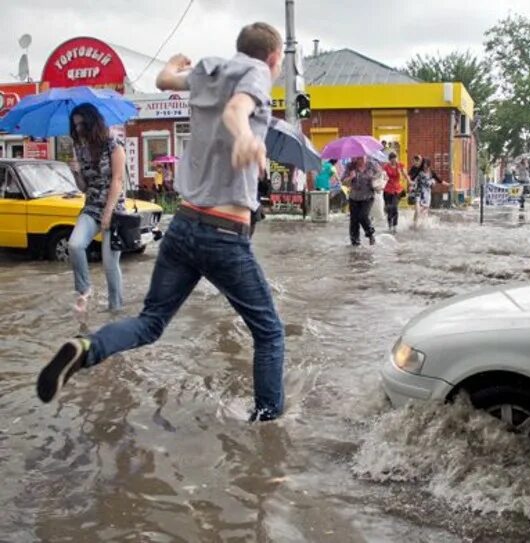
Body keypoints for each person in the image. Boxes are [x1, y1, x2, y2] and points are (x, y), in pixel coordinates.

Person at [36, 22, 286, 423]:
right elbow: (238, 109)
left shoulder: (209, 68)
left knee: (150, 322)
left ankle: (86, 349)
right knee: (270, 332)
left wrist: (171, 65)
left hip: (183, 226)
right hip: (224, 232)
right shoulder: (256, 71)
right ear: (274, 59)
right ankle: (269, 429)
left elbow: (165, 78)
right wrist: (245, 136)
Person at [66, 103, 126, 316]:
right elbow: (84, 187)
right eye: (75, 126)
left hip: (114, 208)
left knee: (110, 265)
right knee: (74, 245)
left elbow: (117, 180)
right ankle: (84, 290)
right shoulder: (80, 147)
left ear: (92, 122)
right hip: (91, 206)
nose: (79, 129)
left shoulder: (113, 142)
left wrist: (109, 212)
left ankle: (115, 310)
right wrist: (75, 173)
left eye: (82, 124)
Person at [342, 156, 379, 246]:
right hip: (354, 197)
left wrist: (375, 179)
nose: (360, 160)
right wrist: (350, 178)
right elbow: (343, 182)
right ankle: (355, 242)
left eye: (362, 158)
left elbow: (381, 175)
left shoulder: (372, 165)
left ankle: (370, 235)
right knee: (354, 221)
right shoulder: (350, 166)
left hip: (368, 196)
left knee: (363, 216)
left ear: (366, 156)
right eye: (358, 158)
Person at [412, 158, 446, 227]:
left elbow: (440, 181)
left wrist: (449, 184)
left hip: (427, 195)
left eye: (426, 164)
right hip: (418, 192)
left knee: (423, 212)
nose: (424, 166)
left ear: (428, 165)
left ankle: (420, 223)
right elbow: (412, 179)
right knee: (418, 210)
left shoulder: (431, 173)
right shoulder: (419, 171)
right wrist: (411, 186)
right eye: (424, 164)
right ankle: (414, 224)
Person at [382, 152, 410, 233]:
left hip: (397, 190)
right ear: (389, 159)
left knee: (394, 207)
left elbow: (405, 174)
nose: (394, 160)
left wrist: (409, 181)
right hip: (387, 190)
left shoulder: (400, 165)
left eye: (395, 158)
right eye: (392, 159)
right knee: (389, 208)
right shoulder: (386, 167)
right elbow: (382, 176)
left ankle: (395, 226)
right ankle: (389, 225)